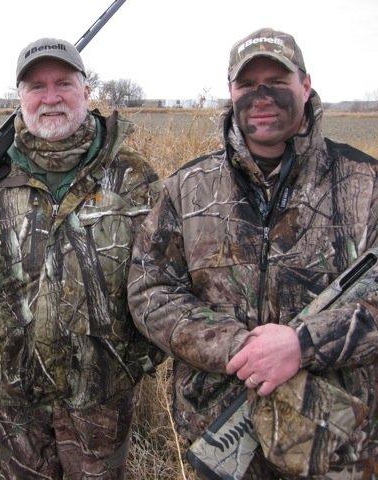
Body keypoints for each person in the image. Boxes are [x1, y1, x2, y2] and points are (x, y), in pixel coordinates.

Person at [0, 38, 163, 479]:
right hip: (13, 399)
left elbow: (160, 280)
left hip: (100, 397)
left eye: (64, 83)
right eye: (36, 86)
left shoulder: (132, 174)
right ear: (19, 97)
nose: (51, 97)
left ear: (87, 91)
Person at [128, 27, 378, 478]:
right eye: (247, 84)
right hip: (220, 436)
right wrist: (239, 347)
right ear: (230, 92)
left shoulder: (366, 183)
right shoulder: (187, 188)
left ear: (306, 84)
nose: (261, 96)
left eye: (277, 82)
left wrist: (301, 345)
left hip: (335, 441)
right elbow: (151, 292)